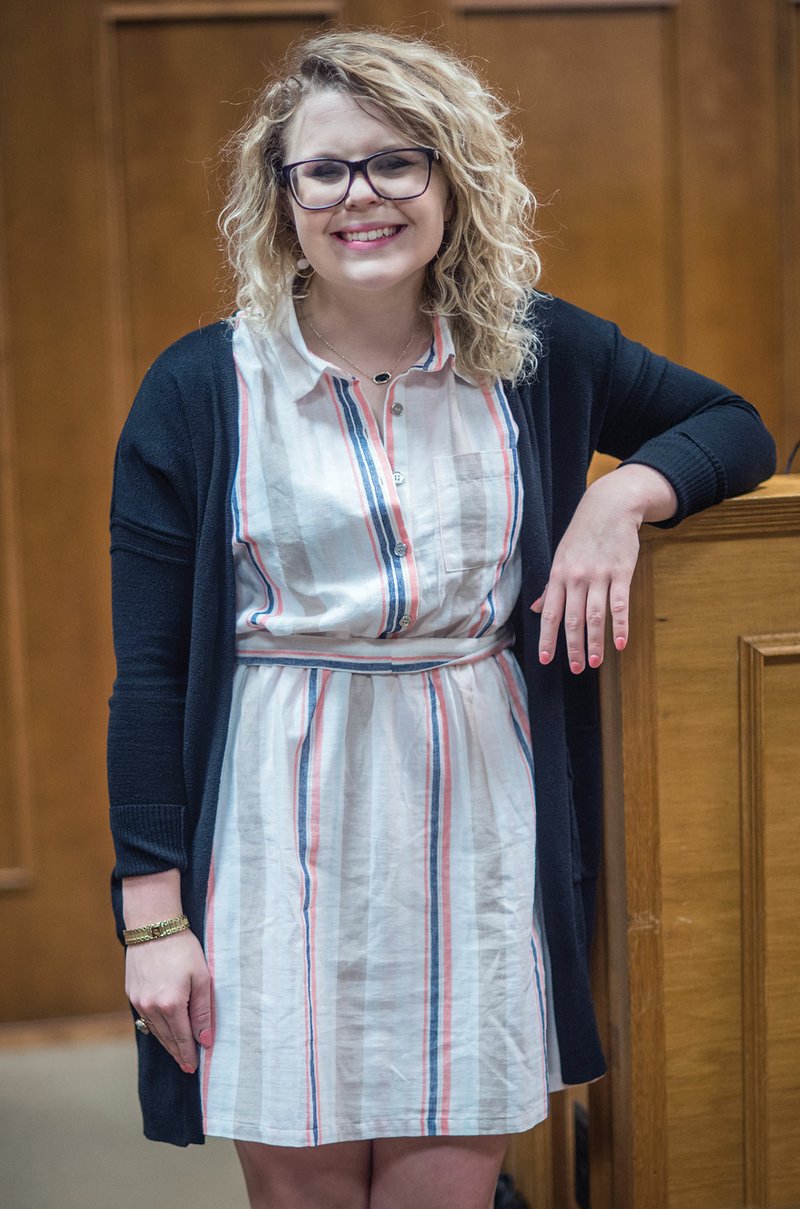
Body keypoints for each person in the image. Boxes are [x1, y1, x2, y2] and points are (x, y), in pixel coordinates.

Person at [107, 27, 776, 1209]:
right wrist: (151, 919)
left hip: (474, 811)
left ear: (451, 177)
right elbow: (151, 673)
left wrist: (618, 494)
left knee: (444, 1191)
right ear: (282, 195)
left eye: (395, 162)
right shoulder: (200, 388)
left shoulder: (536, 352)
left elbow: (733, 426)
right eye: (324, 170)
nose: (359, 197)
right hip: (274, 826)